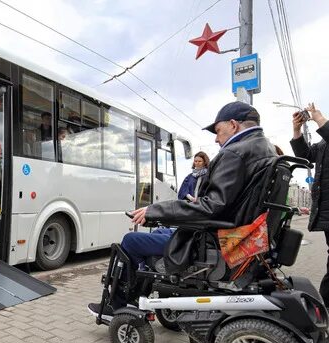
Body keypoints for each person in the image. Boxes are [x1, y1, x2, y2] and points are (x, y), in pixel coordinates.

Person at [88, 101, 277, 315]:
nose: (216, 138)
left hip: (212, 240)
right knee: (159, 232)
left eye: (218, 131)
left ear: (233, 125)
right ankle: (141, 294)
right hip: (234, 232)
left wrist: (155, 211)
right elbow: (222, 203)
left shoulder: (235, 152)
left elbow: (211, 207)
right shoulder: (267, 148)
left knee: (131, 241)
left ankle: (117, 304)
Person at [291, 102, 329, 306]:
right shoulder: (323, 145)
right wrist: (297, 129)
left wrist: (318, 117)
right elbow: (304, 156)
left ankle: (325, 301)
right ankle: (326, 302)